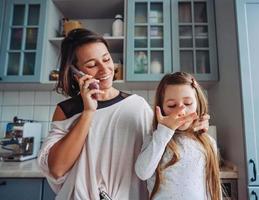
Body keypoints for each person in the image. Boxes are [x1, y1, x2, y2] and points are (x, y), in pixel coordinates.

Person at [37, 28, 210, 200]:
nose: (104, 69)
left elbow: (163, 144)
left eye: (106, 59)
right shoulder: (66, 110)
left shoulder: (137, 106)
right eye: (91, 65)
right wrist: (89, 111)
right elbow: (57, 169)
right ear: (75, 72)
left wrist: (192, 128)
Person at [135, 72, 222, 200]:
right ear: (161, 108)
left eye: (187, 104)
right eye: (171, 105)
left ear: (198, 104)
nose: (181, 111)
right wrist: (164, 131)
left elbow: (213, 187)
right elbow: (142, 173)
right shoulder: (156, 140)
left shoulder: (208, 143)